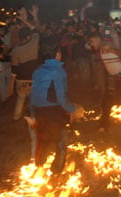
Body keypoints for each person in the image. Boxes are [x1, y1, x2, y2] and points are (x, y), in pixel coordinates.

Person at [29, 41, 82, 174]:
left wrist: (32, 112)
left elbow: (33, 92)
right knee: (60, 139)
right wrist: (72, 109)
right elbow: (61, 97)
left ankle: (40, 164)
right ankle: (57, 169)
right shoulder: (58, 72)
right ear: (58, 54)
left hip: (38, 110)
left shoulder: (37, 71)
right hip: (53, 111)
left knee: (46, 138)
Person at [11, 18, 40, 121]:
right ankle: (33, 118)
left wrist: (11, 85)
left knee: (20, 99)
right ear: (28, 37)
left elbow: (14, 69)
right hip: (33, 78)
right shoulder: (34, 43)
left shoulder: (16, 50)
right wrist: (24, 19)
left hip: (21, 80)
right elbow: (35, 29)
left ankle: (16, 116)